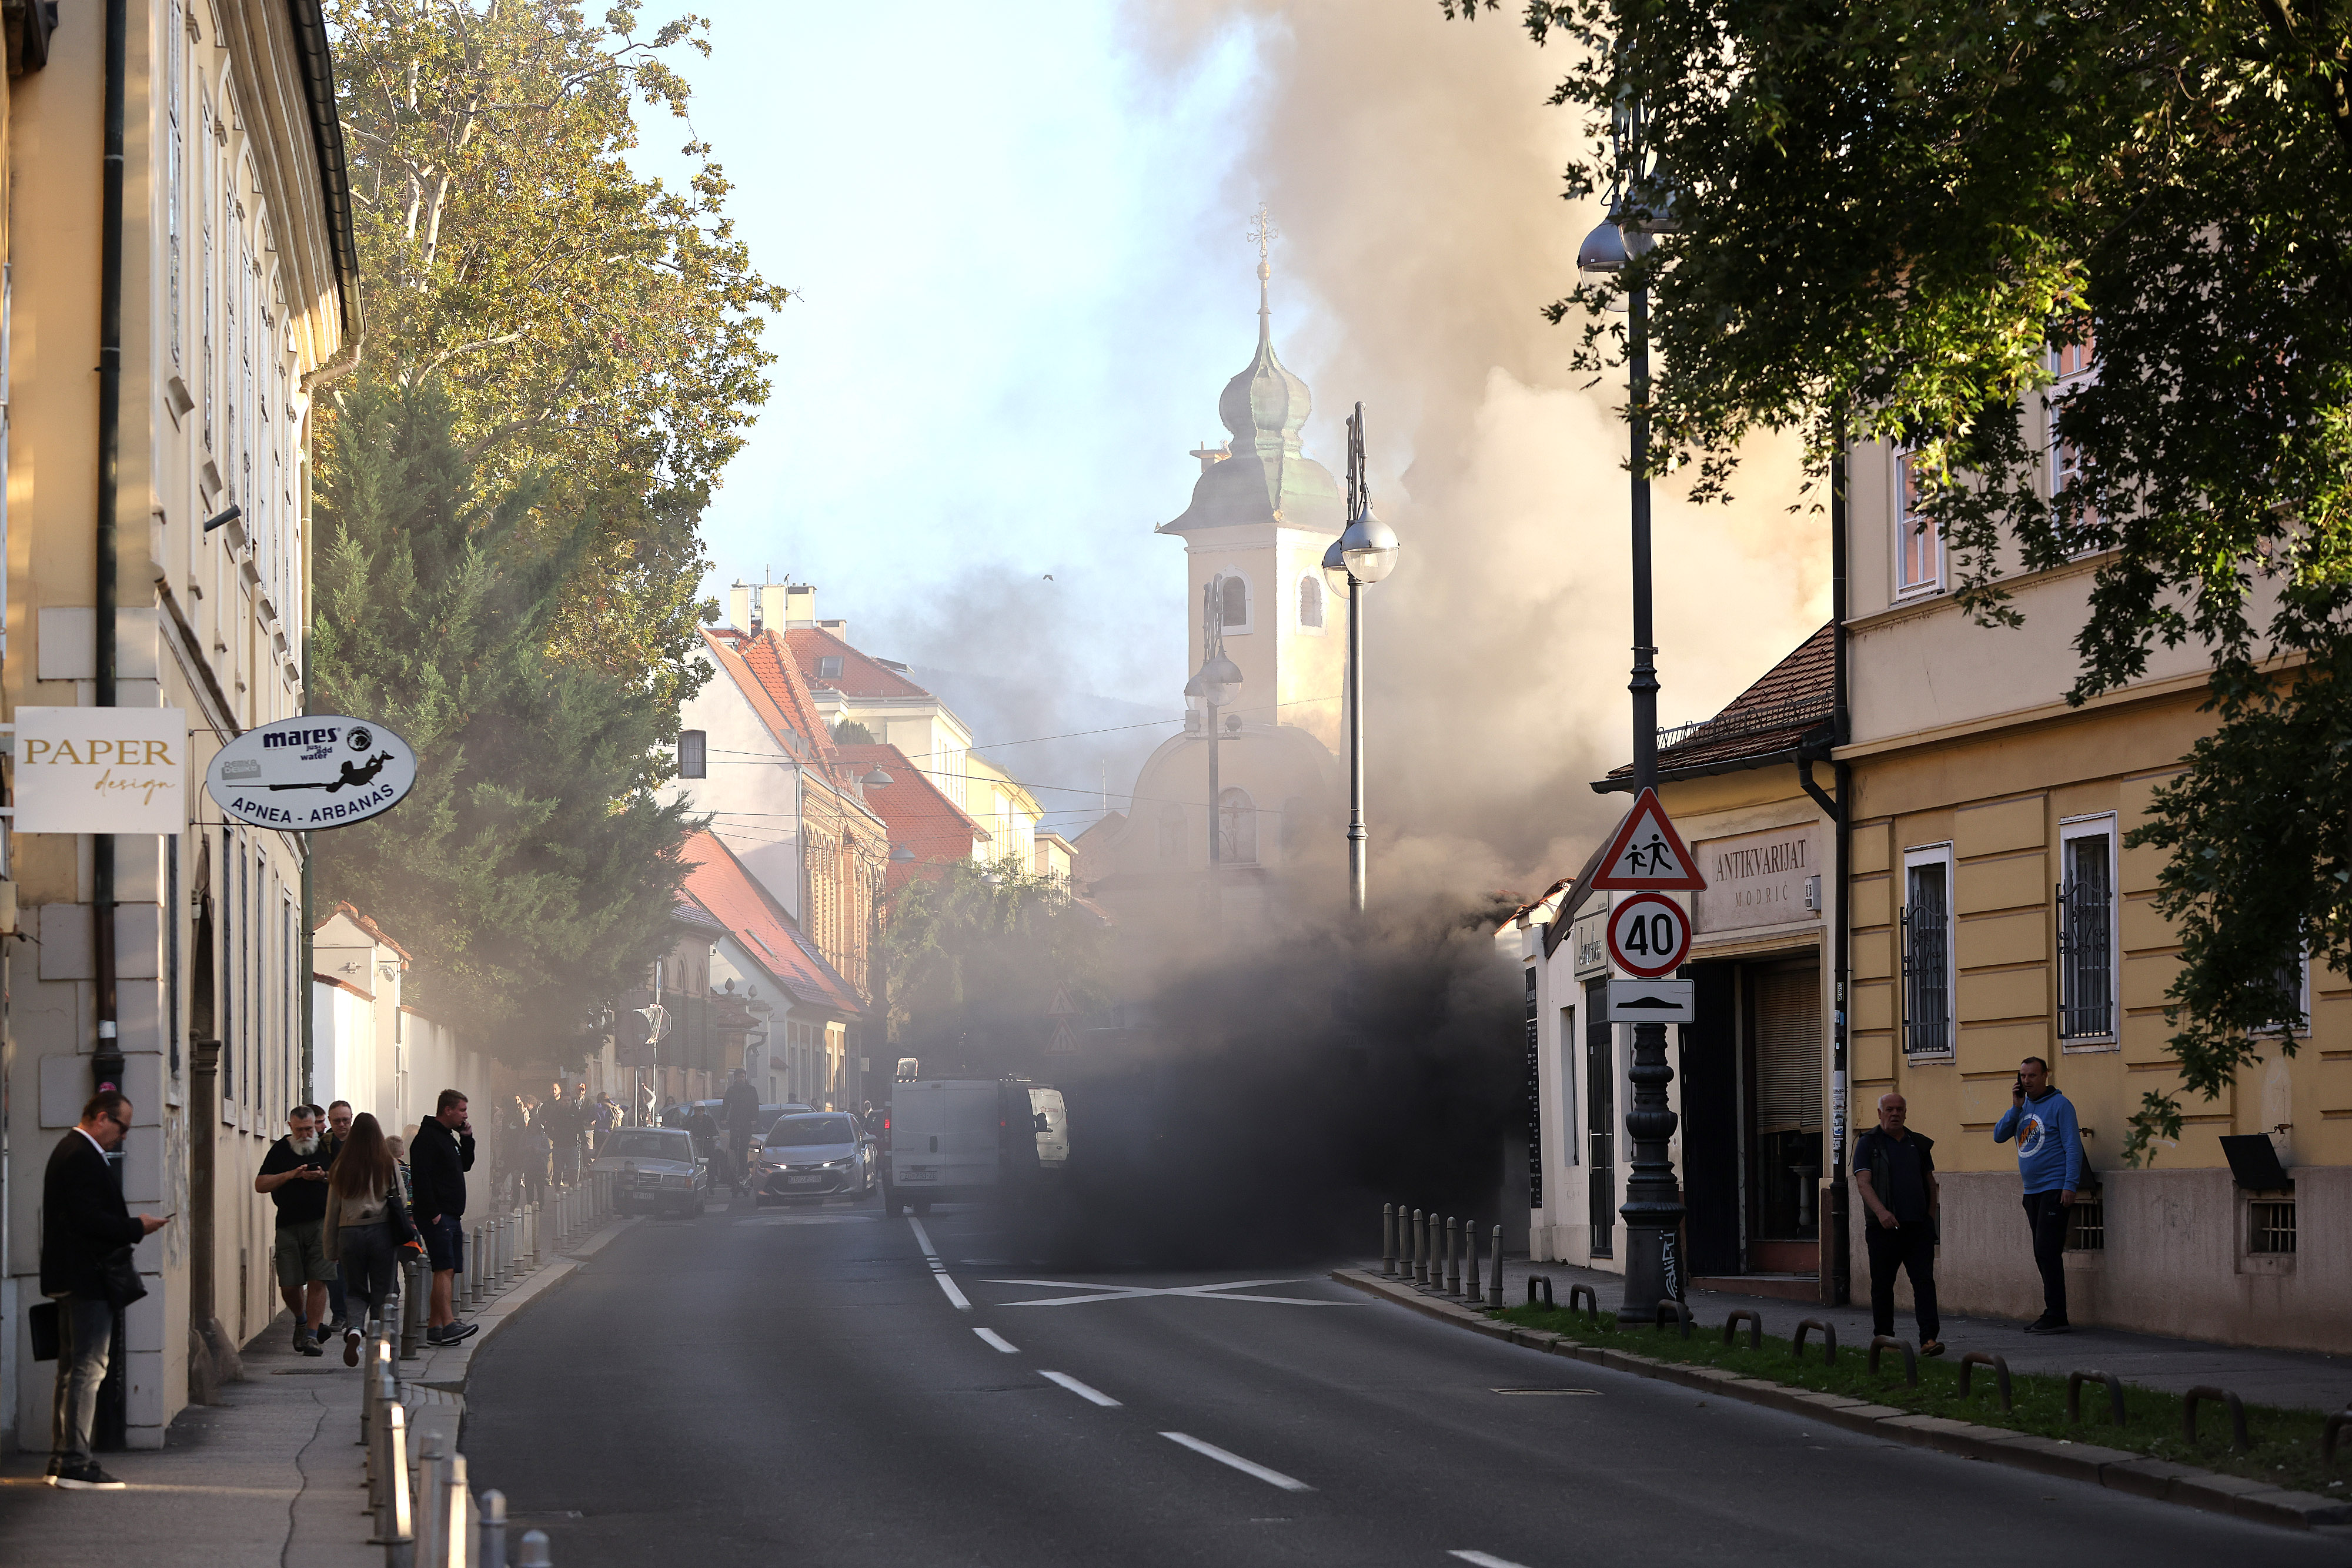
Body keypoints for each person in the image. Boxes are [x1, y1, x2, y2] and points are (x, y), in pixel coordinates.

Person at [41, 1091, 170, 1490]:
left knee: (71, 1369)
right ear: (101, 1117)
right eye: (123, 1126)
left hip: (72, 1275)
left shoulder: (69, 1149)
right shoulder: (80, 1153)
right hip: (87, 1277)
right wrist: (137, 1226)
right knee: (88, 1368)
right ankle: (76, 1463)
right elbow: (89, 1219)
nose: (125, 1135)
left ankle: (63, 1458)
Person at [1993, 1055, 2086, 1333]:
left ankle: (2056, 1314)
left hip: (2055, 1188)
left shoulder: (2061, 1105)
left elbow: (2073, 1147)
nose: (2027, 1081)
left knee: (2047, 1250)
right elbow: (1999, 1136)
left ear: (2045, 1075)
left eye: (2032, 1076)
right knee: (2042, 1252)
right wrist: (2015, 1108)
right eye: (2023, 1076)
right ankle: (2054, 1312)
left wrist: (2071, 1185)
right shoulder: (2021, 1108)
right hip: (2031, 1191)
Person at [323, 1113, 417, 1366]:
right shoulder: (388, 1163)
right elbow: (400, 1200)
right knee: (382, 1291)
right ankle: (379, 1345)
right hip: (381, 1233)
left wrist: (330, 1248)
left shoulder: (341, 1167)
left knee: (355, 1290)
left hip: (349, 1233)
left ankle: (354, 1329)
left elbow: (332, 1210)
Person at [1853, 1092, 1942, 1356]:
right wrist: (1881, 1213)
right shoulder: (1868, 1143)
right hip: (1883, 1229)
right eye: (1889, 1109)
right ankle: (1885, 1340)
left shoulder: (1917, 1143)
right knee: (1882, 1285)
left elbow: (1930, 1182)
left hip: (1917, 1227)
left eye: (1899, 1110)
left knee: (1924, 1283)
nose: (1895, 1114)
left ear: (1906, 1113)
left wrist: (1930, 1218)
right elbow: (1863, 1183)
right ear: (1879, 1113)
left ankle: (1929, 1340)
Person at [255, 1105, 338, 1355]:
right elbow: (260, 1184)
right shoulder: (281, 1149)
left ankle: (312, 1335)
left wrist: (323, 1176)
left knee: (318, 1279)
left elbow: (345, 1179)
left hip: (321, 1222)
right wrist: (290, 1175)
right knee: (289, 1285)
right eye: (300, 1130)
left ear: (316, 1126)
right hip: (288, 1223)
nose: (305, 1134)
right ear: (290, 1127)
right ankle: (301, 1320)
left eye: (310, 1129)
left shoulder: (328, 1147)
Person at [410, 1090, 479, 1345]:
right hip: (438, 1216)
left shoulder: (448, 1138)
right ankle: (449, 1324)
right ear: (447, 1110)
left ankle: (435, 1328)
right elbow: (422, 1178)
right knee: (443, 1267)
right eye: (462, 1110)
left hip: (451, 1215)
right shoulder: (427, 1138)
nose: (466, 1114)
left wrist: (467, 1138)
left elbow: (466, 1164)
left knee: (448, 1270)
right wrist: (434, 1214)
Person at [322, 1101, 356, 1333]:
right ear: (330, 1122)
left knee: (354, 1268)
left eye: (346, 1120)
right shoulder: (323, 1144)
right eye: (337, 1121)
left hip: (356, 1212)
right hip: (330, 1210)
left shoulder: (362, 1143)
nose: (342, 1125)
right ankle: (340, 1315)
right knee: (333, 1266)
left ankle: (355, 1315)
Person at [722, 1069, 761, 1184]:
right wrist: (723, 1118)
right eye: (739, 1077)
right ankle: (741, 1171)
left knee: (744, 1149)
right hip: (735, 1122)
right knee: (734, 1146)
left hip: (747, 1123)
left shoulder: (751, 1090)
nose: (741, 1079)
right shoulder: (731, 1090)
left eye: (743, 1077)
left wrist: (754, 1119)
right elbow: (726, 1104)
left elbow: (755, 1105)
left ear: (745, 1077)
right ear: (735, 1078)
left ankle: (744, 1173)